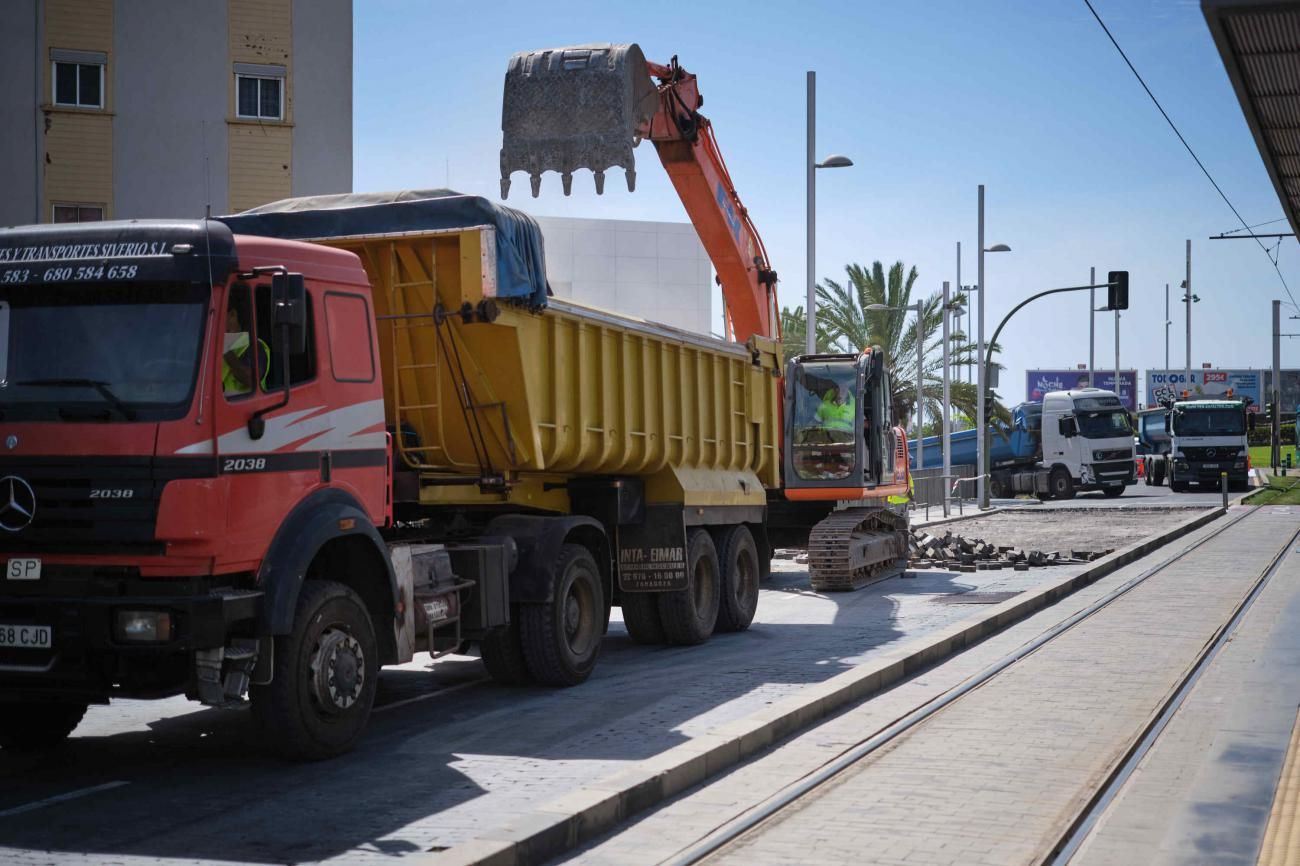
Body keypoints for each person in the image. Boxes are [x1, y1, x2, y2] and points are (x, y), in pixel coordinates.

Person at [222, 304, 271, 395]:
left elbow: (251, 379)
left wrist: (225, 350)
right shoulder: (209, 345)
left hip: (250, 408)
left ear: (233, 314)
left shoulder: (254, 345)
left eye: (217, 316)